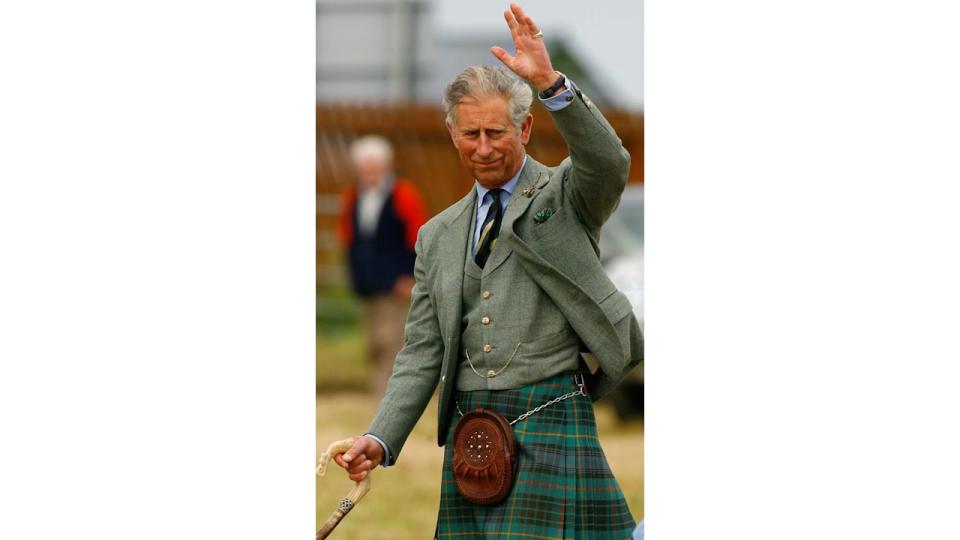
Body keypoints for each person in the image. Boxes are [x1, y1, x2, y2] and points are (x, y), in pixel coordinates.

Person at [333, 3, 642, 538]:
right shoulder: (437, 235)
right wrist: (379, 438)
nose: (483, 148)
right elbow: (422, 351)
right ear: (452, 133)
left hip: (551, 416)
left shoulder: (566, 197)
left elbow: (609, 163)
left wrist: (550, 83)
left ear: (524, 127)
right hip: (470, 434)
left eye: (496, 132)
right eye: (470, 134)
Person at [336, 134, 428, 397]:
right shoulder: (353, 196)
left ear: (385, 165)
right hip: (366, 283)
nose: (370, 171)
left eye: (374, 165)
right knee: (373, 342)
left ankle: (388, 395)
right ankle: (377, 391)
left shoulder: (403, 194)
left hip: (394, 283)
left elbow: (417, 238)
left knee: (391, 342)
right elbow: (348, 239)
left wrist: (409, 276)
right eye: (365, 166)